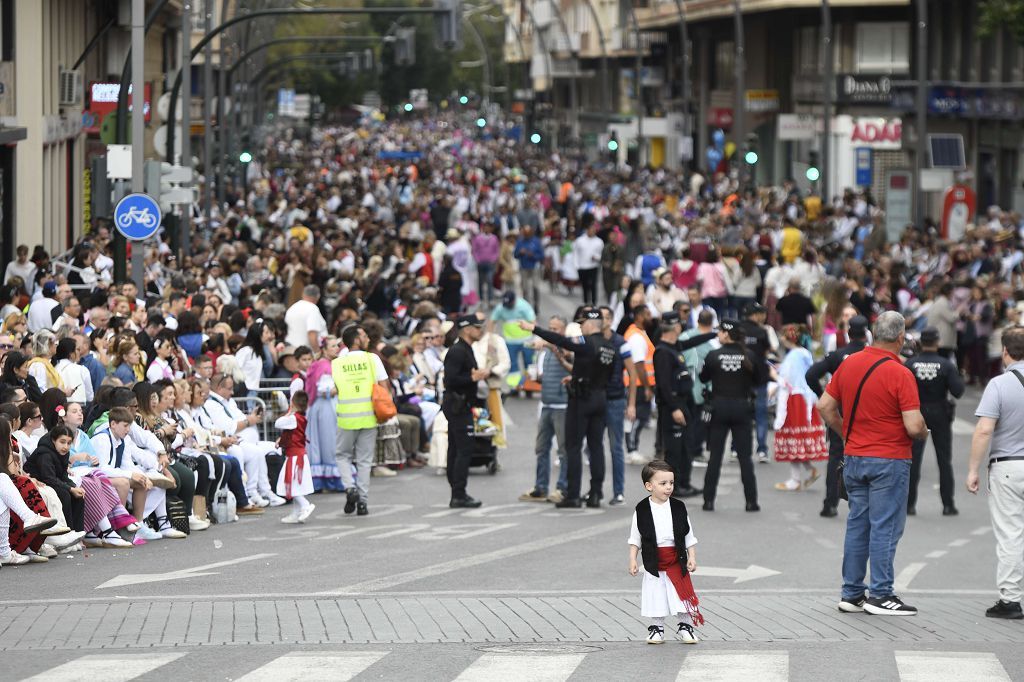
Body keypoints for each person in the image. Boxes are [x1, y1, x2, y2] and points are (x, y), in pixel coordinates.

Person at [817, 311, 928, 617]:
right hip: (889, 459)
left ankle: (852, 593)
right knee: (885, 527)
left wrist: (846, 433)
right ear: (901, 338)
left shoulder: (849, 364)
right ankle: (881, 593)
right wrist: (924, 432)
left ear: (872, 334)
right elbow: (913, 425)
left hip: (854, 456)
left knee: (858, 524)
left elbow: (825, 406)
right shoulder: (901, 373)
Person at [518, 309, 616, 508]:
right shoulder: (609, 346)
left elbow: (561, 341)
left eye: (582, 324)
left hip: (581, 400)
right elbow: (601, 371)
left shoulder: (585, 342)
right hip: (600, 398)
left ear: (590, 324)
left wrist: (534, 329)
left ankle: (572, 495)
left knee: (573, 447)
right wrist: (577, 375)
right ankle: (596, 493)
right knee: (596, 447)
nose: (580, 328)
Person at [966, 327, 1024, 619]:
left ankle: (1011, 599)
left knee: (1011, 533)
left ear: (1005, 352)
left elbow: (984, 429)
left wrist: (973, 469)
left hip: (1008, 466)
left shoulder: (999, 385)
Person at [627, 460, 704, 645]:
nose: (668, 487)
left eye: (671, 483)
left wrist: (692, 557)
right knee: (656, 594)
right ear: (649, 486)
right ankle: (657, 628)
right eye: (663, 484)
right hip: (654, 560)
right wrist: (632, 559)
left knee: (680, 594)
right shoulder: (642, 509)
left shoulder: (678, 507)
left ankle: (685, 626)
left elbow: (688, 535)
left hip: (676, 558)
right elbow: (635, 538)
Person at [805, 315, 870, 518]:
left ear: (848, 334)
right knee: (869, 456)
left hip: (841, 411)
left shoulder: (837, 356)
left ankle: (830, 503)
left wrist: (822, 393)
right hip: (868, 412)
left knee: (836, 457)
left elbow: (811, 375)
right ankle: (863, 504)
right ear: (866, 335)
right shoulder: (873, 357)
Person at [699, 319, 765, 512]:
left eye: (719, 331)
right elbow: (760, 379)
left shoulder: (713, 355)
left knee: (715, 457)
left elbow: (704, 378)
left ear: (726, 334)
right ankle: (751, 501)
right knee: (745, 457)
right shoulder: (749, 355)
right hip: (742, 407)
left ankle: (708, 500)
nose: (718, 334)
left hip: (719, 406)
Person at [653, 312, 716, 498]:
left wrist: (713, 334)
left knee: (686, 447)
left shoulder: (674, 346)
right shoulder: (663, 352)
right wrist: (674, 408)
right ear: (676, 328)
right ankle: (673, 487)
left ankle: (684, 483)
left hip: (683, 404)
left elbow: (692, 342)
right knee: (674, 451)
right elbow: (663, 385)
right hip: (673, 406)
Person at [905, 327, 965, 516]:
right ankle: (948, 505)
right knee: (944, 460)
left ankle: (909, 505)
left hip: (917, 412)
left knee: (913, 460)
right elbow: (958, 391)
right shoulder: (946, 365)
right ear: (938, 342)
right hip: (940, 412)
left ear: (921, 342)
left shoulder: (911, 364)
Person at [333, 324, 389, 517]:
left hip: (346, 417)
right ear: (356, 339)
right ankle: (363, 502)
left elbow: (335, 388)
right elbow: (383, 386)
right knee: (365, 461)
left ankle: (350, 488)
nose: (367, 339)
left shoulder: (338, 362)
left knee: (342, 456)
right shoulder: (372, 359)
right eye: (364, 335)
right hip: (369, 416)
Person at [519, 315, 571, 503]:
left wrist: (549, 345)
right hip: (547, 405)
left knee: (564, 450)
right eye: (550, 328)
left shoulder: (566, 346)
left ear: (564, 331)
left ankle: (562, 487)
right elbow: (545, 374)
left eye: (555, 329)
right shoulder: (544, 352)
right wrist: (538, 377)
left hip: (562, 406)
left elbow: (569, 360)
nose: (551, 332)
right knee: (541, 448)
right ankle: (541, 487)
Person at [772, 325, 828, 492]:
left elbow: (787, 379)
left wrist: (775, 374)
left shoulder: (794, 355)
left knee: (793, 437)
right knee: (798, 439)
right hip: (805, 399)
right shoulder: (803, 353)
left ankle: (796, 478)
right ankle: (805, 472)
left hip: (795, 399)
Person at [442, 315, 489, 508]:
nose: (481, 331)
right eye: (477, 328)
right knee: (463, 449)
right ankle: (458, 493)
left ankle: (457, 491)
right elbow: (451, 380)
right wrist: (473, 378)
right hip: (457, 405)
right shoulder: (457, 351)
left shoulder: (465, 348)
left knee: (456, 448)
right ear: (467, 329)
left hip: (461, 404)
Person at [739, 303, 774, 463]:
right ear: (756, 315)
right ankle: (762, 450)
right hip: (760, 377)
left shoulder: (738, 329)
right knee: (761, 414)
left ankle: (735, 448)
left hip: (741, 377)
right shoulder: (761, 331)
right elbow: (767, 351)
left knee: (740, 415)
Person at [276, 390, 315, 524]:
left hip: (295, 458)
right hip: (297, 455)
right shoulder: (298, 419)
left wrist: (289, 411)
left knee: (290, 484)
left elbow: (278, 423)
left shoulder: (293, 418)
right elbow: (290, 435)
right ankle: (296, 512)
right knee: (295, 485)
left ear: (292, 403)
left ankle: (305, 505)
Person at [623, 305, 655, 462]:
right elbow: (639, 365)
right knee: (637, 418)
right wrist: (648, 386)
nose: (651, 317)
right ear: (639, 317)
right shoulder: (636, 337)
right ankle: (631, 450)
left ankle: (633, 448)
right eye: (647, 314)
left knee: (639, 417)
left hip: (639, 384)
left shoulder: (640, 333)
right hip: (638, 384)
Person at [574, 221, 604, 306]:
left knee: (593, 285)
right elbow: (576, 253)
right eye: (591, 229)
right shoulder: (580, 240)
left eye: (594, 230)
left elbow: (601, 255)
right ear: (587, 230)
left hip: (593, 266)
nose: (592, 231)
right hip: (582, 266)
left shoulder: (599, 241)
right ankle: (586, 302)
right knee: (584, 285)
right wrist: (577, 265)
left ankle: (594, 302)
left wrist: (597, 258)